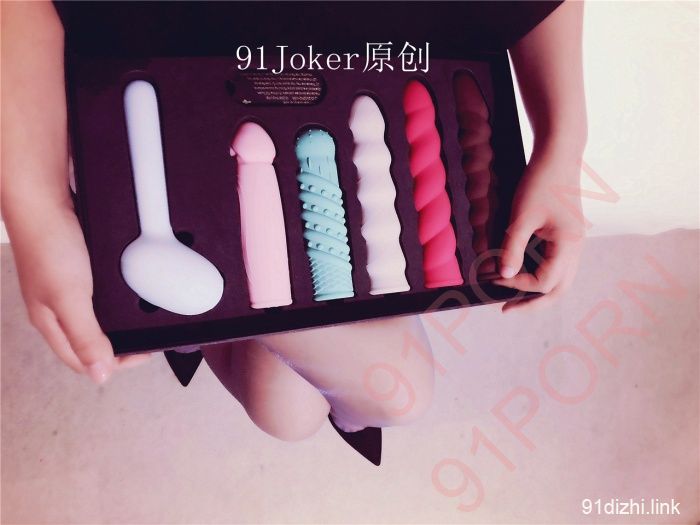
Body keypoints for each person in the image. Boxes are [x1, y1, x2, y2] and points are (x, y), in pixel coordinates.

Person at [1, 1, 586, 439]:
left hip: (379, 61)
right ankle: (218, 328)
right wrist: (36, 205)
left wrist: (564, 142)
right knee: (375, 401)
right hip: (144, 62)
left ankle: (206, 327)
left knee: (287, 413)